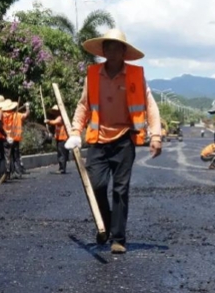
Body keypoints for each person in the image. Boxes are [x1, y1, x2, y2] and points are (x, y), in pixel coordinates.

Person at [65, 28, 163, 254]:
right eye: (108, 47)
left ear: (123, 51)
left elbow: (150, 106)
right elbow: (83, 105)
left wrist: (155, 135)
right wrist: (75, 132)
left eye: (116, 47)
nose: (112, 51)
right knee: (96, 185)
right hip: (98, 139)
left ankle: (118, 238)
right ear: (104, 51)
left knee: (120, 189)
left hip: (124, 139)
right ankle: (106, 225)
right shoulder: (93, 75)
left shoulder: (135, 76)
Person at [45, 105, 69, 174]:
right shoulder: (58, 117)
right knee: (60, 154)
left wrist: (48, 121)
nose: (55, 112)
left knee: (62, 154)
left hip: (63, 139)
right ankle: (61, 167)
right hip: (59, 139)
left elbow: (55, 122)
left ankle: (62, 169)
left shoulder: (61, 117)